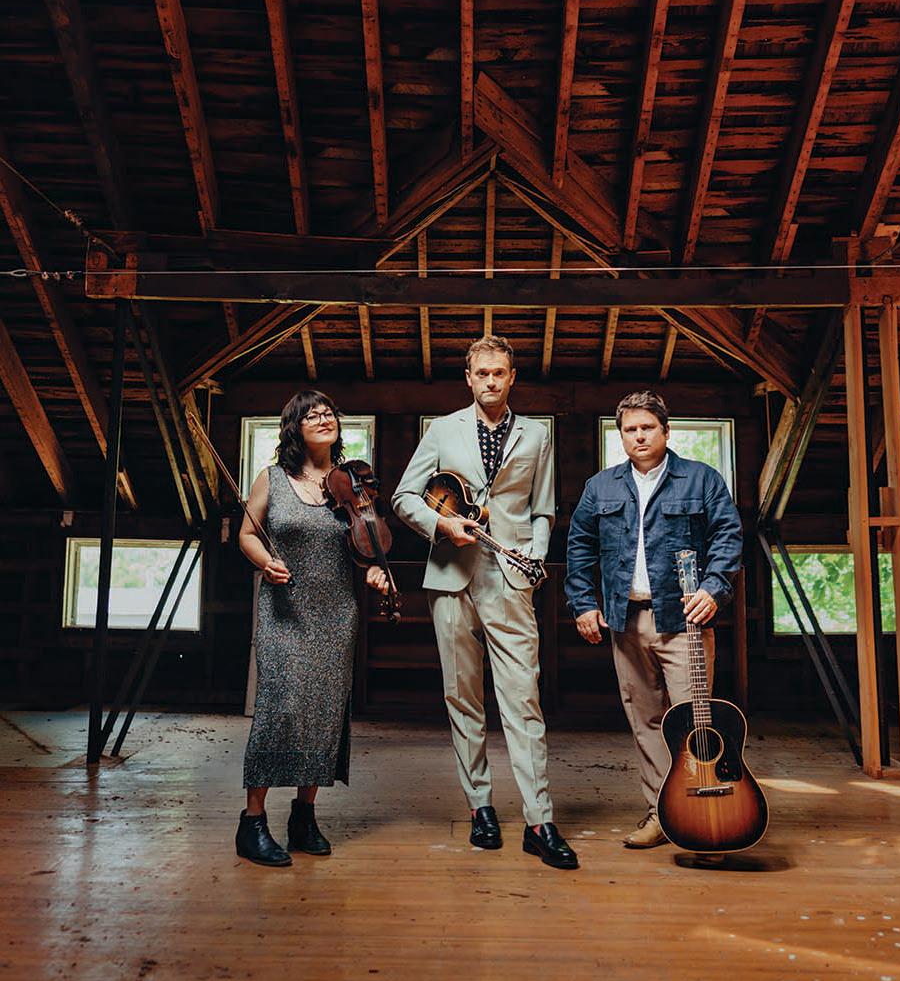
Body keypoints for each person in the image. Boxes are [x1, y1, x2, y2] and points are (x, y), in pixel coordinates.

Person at [392, 335, 577, 870]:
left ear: (512, 377)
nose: (491, 381)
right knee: (463, 698)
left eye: (499, 372)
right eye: (482, 373)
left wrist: (533, 558)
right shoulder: (441, 430)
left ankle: (540, 821)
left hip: (512, 581)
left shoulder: (537, 434)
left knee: (523, 700)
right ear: (469, 378)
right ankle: (480, 807)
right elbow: (404, 497)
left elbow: (543, 510)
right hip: (451, 577)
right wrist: (441, 525)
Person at [565, 390, 742, 849]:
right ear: (620, 436)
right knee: (645, 722)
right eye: (630, 429)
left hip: (684, 621)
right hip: (625, 621)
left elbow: (728, 536)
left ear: (666, 430)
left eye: (647, 427)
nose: (639, 436)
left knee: (693, 722)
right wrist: (583, 603)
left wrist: (713, 589)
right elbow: (579, 546)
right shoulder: (600, 487)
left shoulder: (702, 479)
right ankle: (662, 813)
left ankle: (706, 815)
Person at [235, 389, 390, 867]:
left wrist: (374, 568)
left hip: (336, 612)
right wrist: (265, 561)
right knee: (279, 709)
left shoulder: (352, 483)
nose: (324, 419)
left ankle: (304, 816)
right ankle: (252, 822)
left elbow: (366, 543)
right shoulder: (272, 478)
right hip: (285, 610)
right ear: (294, 429)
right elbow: (246, 533)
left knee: (324, 713)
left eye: (329, 413)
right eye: (312, 415)